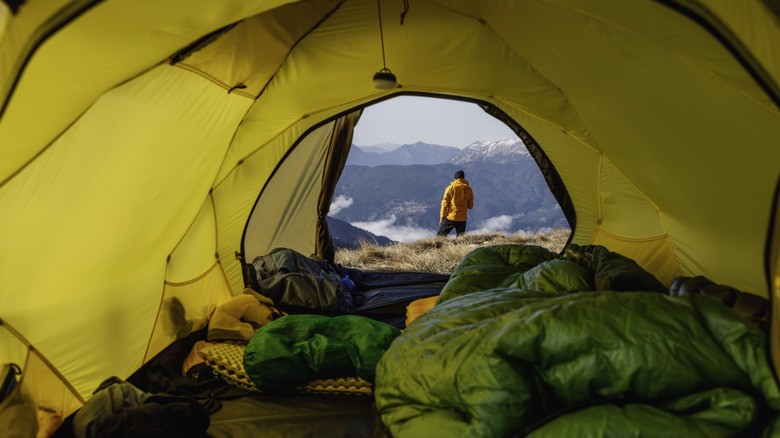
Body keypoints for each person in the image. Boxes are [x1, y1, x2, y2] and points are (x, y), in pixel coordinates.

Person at [437, 170, 474, 237]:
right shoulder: (469, 189)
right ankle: (459, 247)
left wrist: (441, 218)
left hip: (451, 217)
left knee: (439, 237)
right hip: (463, 218)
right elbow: (470, 206)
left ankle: (436, 247)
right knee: (460, 238)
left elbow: (444, 204)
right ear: (463, 178)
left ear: (455, 179)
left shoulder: (450, 188)